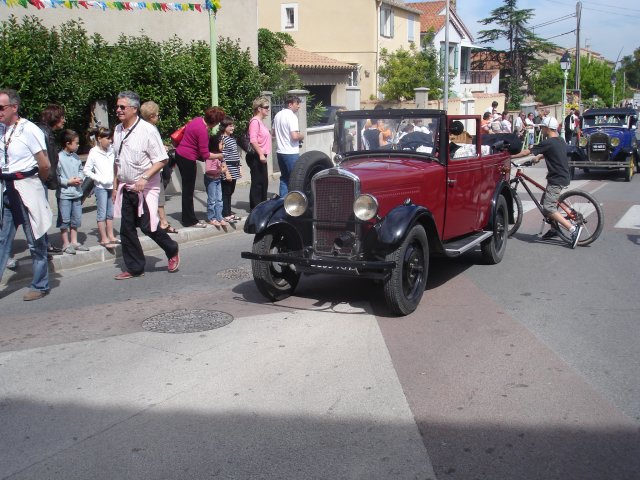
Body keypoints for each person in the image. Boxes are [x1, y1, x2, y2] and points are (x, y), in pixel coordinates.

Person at [112, 90, 180, 279]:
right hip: (126, 187)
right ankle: (135, 267)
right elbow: (117, 161)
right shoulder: (117, 130)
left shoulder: (148, 130)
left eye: (122, 107)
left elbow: (161, 159)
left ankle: (172, 248)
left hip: (146, 187)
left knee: (148, 226)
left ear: (134, 109)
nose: (118, 110)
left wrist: (144, 177)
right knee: (126, 229)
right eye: (117, 106)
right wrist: (115, 184)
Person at [0, 88, 52, 301]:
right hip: (6, 189)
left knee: (35, 239)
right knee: (2, 239)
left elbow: (44, 164)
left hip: (26, 187)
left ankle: (40, 284)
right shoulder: (1, 129)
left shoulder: (30, 130)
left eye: (1, 107)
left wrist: (34, 183)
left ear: (14, 107)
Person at [511, 116, 583, 248]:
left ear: (547, 128)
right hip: (562, 176)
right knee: (546, 202)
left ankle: (572, 229)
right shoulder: (559, 140)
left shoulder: (548, 142)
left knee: (548, 207)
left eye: (542, 127)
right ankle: (554, 229)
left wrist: (510, 156)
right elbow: (551, 152)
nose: (541, 130)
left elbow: (527, 152)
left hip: (557, 179)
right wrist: (539, 157)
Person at [175, 106, 225, 227]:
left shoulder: (196, 120)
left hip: (180, 154)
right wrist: (219, 155)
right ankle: (189, 220)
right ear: (214, 122)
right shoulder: (203, 131)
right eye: (218, 122)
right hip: (188, 158)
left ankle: (188, 217)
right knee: (188, 190)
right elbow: (205, 154)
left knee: (187, 190)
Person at [139, 101, 177, 234]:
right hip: (153, 169)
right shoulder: (150, 129)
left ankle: (161, 221)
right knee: (158, 196)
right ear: (152, 116)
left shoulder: (142, 127)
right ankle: (161, 222)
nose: (158, 117)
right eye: (157, 115)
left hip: (150, 169)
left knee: (155, 197)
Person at [37, 104, 66, 256]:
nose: (64, 120)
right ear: (55, 118)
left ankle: (45, 245)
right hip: (39, 180)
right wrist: (48, 180)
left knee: (41, 214)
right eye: (62, 117)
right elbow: (46, 161)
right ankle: (42, 247)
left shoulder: (45, 132)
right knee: (39, 215)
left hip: (41, 180)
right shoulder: (44, 133)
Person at [83, 127, 119, 247]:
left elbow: (115, 169)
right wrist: (99, 178)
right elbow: (86, 170)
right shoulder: (94, 152)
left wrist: (115, 187)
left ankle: (111, 235)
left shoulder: (111, 151)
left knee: (110, 213)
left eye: (111, 139)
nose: (110, 141)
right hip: (100, 187)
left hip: (110, 186)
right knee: (102, 213)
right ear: (99, 139)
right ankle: (104, 238)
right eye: (107, 138)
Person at [57, 129, 88, 254]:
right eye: (76, 143)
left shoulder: (76, 157)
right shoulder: (58, 158)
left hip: (77, 193)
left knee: (76, 218)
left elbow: (81, 170)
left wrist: (80, 178)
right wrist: (68, 181)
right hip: (64, 194)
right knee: (64, 219)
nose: (78, 145)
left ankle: (74, 241)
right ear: (67, 143)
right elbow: (56, 177)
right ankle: (66, 243)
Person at [273, 95, 304, 197]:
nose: (298, 106)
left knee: (284, 177)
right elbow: (294, 136)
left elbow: (273, 133)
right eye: (297, 104)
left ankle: (282, 201)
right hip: (290, 152)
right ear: (290, 104)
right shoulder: (292, 116)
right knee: (295, 179)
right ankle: (294, 202)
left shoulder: (277, 115)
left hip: (280, 151)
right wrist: (302, 135)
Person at [247, 97, 272, 211]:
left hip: (261, 155)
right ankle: (256, 207)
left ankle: (261, 206)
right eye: (266, 107)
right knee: (258, 183)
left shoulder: (260, 122)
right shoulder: (255, 121)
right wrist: (261, 154)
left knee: (263, 182)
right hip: (257, 156)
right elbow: (253, 140)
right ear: (259, 108)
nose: (268, 109)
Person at [218, 116, 242, 223]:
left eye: (233, 125)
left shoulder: (232, 138)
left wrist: (239, 167)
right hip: (228, 168)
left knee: (231, 191)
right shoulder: (222, 139)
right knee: (226, 191)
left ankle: (228, 212)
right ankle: (225, 213)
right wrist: (226, 171)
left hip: (235, 167)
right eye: (230, 126)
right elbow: (222, 155)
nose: (233, 127)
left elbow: (235, 154)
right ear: (224, 127)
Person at [204, 134, 228, 227]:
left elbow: (223, 164)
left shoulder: (220, 155)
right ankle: (212, 218)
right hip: (211, 180)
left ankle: (219, 216)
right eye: (222, 144)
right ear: (215, 144)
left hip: (218, 179)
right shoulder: (211, 156)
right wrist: (221, 170)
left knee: (219, 199)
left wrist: (223, 164)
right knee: (212, 200)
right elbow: (208, 170)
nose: (224, 146)